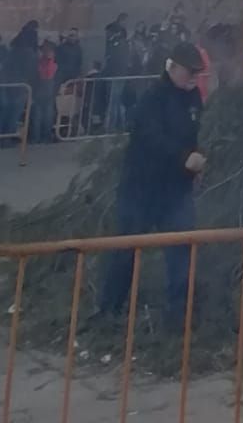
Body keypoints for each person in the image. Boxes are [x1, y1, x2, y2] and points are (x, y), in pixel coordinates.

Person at [96, 41, 208, 327]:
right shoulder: (152, 100)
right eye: (190, 71)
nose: (194, 76)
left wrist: (195, 166)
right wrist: (184, 158)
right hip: (141, 189)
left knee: (181, 249)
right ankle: (109, 310)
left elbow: (195, 133)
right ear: (172, 68)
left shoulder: (193, 98)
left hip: (176, 192)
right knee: (127, 249)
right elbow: (151, 139)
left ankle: (179, 314)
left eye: (198, 72)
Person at [33, 41, 58, 143]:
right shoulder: (53, 63)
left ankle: (37, 138)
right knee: (45, 116)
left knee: (39, 116)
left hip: (41, 91)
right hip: (47, 91)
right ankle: (44, 137)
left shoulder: (40, 62)